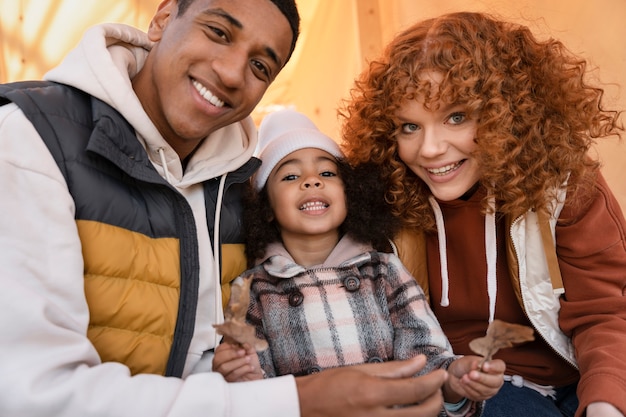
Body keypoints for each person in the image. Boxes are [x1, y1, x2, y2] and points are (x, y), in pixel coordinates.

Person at [0, 1, 451, 416]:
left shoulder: (233, 189)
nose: (234, 73)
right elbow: (29, 393)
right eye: (218, 32)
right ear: (161, 19)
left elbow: (197, 361)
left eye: (260, 65)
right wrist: (299, 400)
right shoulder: (30, 139)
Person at [338, 10, 626, 417]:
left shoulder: (566, 188)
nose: (431, 149)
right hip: (474, 387)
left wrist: (605, 402)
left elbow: (604, 312)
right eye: (409, 126)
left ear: (506, 115)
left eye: (456, 117)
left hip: (577, 372)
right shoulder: (383, 205)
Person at [212, 108, 505, 416]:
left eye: (327, 173)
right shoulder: (252, 289)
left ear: (349, 194)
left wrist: (452, 384)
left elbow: (424, 356)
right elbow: (261, 390)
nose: (312, 181)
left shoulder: (385, 271)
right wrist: (242, 376)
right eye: (290, 176)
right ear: (267, 207)